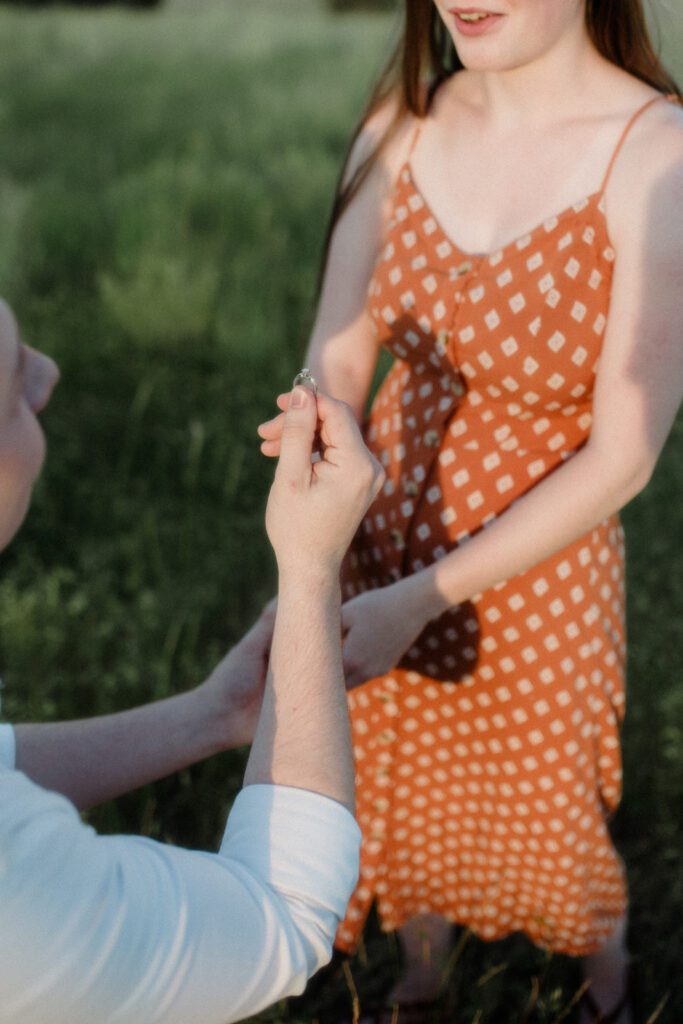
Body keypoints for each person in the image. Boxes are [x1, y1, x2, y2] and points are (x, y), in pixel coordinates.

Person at [256, 1, 683, 1020]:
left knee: (545, 791)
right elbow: (342, 343)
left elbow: (623, 454)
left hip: (538, 556)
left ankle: (606, 989)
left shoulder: (654, 151)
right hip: (381, 512)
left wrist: (423, 597)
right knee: (398, 764)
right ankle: (419, 978)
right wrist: (321, 440)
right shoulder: (405, 118)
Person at [0, 297, 385, 1024]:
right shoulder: (14, 895)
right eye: (13, 379)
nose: (46, 376)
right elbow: (286, 913)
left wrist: (207, 718)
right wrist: (309, 568)